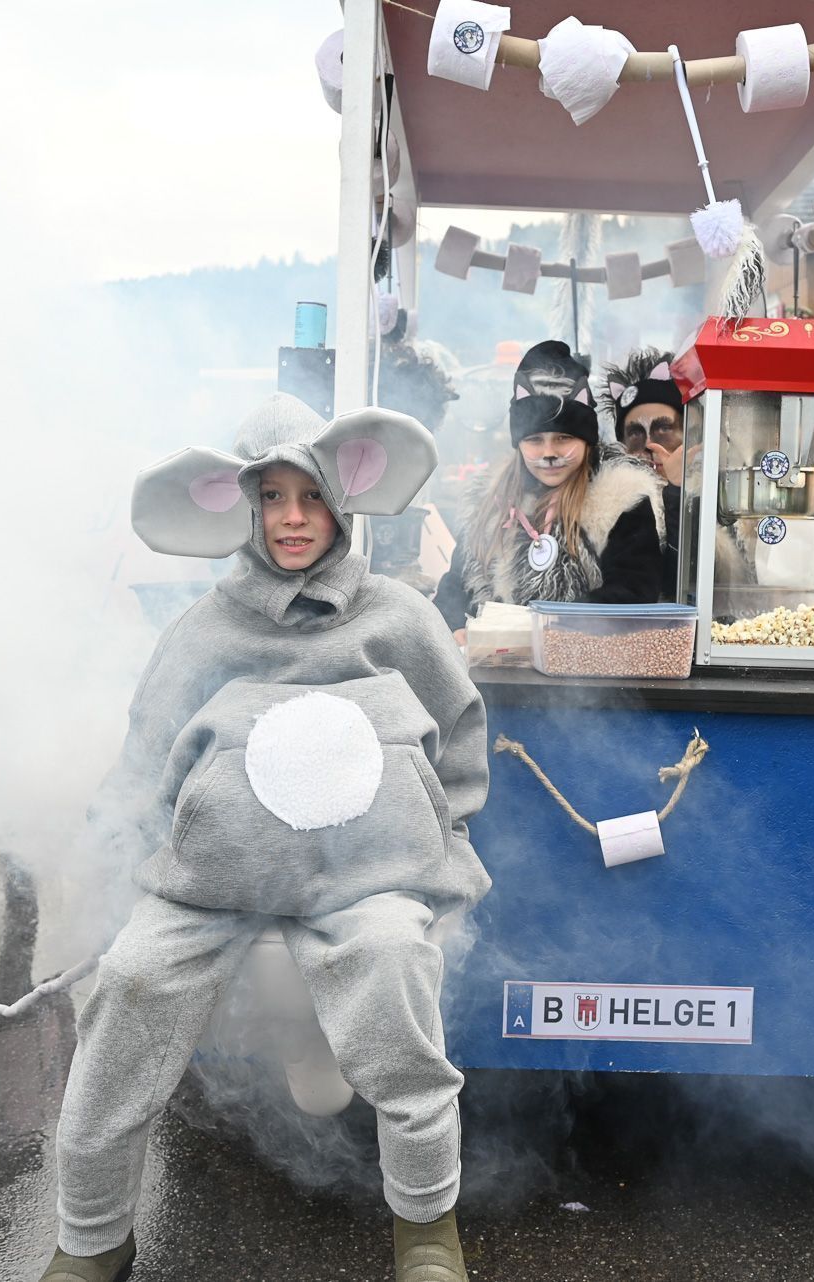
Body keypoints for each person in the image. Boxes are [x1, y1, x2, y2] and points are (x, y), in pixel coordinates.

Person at [42, 395, 488, 1282]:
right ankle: (90, 1238)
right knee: (126, 984)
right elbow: (143, 754)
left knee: (399, 967)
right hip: (211, 884)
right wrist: (98, 866)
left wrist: (437, 837)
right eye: (272, 498)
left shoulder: (399, 616)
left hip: (368, 881)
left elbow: (459, 733)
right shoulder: (204, 628)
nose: (292, 519)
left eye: (311, 496)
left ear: (345, 499)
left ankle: (426, 1229)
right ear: (239, 509)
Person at [434, 340, 664, 635]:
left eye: (563, 438)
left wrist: (543, 631)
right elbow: (455, 590)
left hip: (586, 672)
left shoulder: (621, 499)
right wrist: (454, 630)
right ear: (519, 444)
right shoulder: (488, 501)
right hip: (492, 674)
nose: (549, 453)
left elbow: (633, 593)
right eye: (534, 440)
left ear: (586, 440)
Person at [600, 348, 688, 599]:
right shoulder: (610, 506)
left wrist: (677, 490)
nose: (649, 444)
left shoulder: (714, 497)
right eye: (636, 432)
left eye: (663, 428)